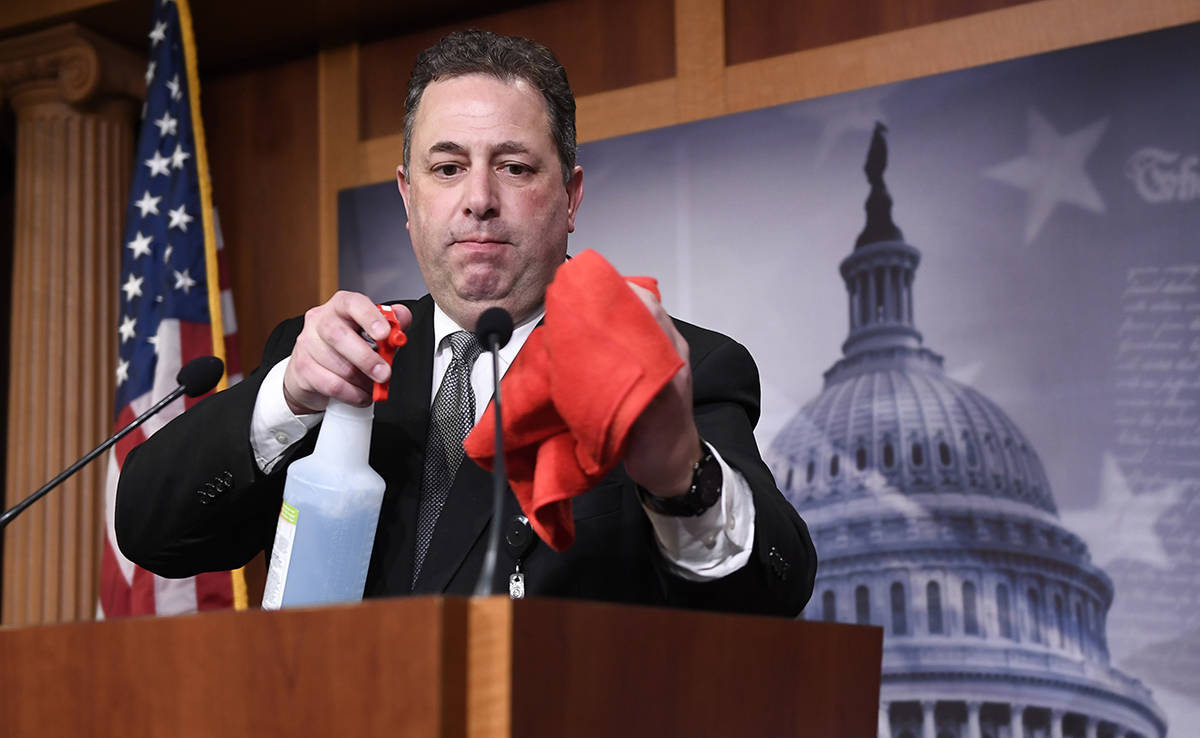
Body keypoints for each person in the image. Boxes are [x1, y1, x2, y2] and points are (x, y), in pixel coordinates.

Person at [116, 29, 815, 617]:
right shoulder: (329, 361)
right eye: (447, 168)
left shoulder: (674, 367)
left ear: (570, 197)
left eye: (513, 167)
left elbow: (774, 591)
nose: (479, 200)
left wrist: (678, 474)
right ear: (408, 196)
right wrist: (286, 398)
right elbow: (152, 532)